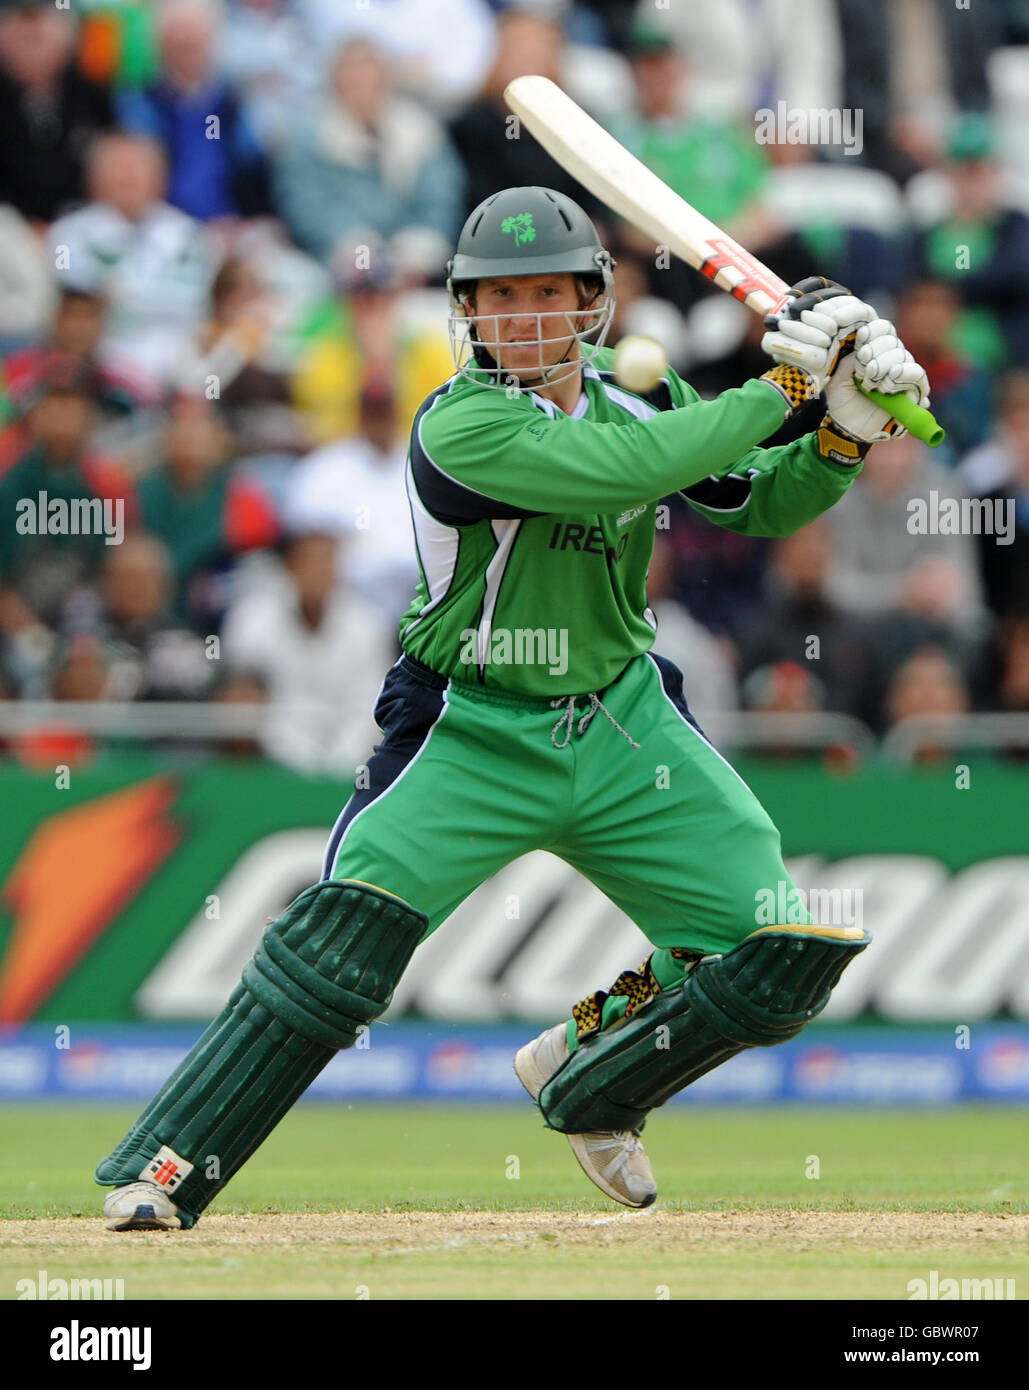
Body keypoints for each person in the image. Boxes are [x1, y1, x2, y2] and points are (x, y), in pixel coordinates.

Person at [96, 186, 929, 1230]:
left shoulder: (647, 395)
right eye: (501, 299)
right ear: (467, 315)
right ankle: (168, 1169)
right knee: (337, 950)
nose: (526, 317)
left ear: (594, 302)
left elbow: (756, 499)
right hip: (471, 725)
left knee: (776, 946)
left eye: (550, 292)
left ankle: (593, 1068)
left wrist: (839, 435)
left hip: (622, 722)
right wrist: (792, 378)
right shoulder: (462, 425)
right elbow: (627, 468)